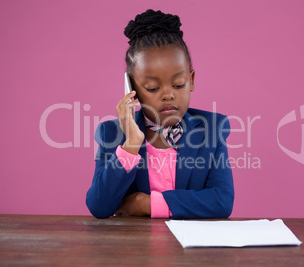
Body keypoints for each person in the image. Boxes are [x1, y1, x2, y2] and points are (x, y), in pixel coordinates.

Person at [86, 9, 234, 219]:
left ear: (191, 81)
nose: (168, 95)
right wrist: (131, 146)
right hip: (136, 248)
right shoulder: (112, 134)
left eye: (178, 84)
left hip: (192, 249)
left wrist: (147, 203)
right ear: (132, 88)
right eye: (153, 88)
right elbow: (99, 206)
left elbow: (222, 202)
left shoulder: (212, 128)